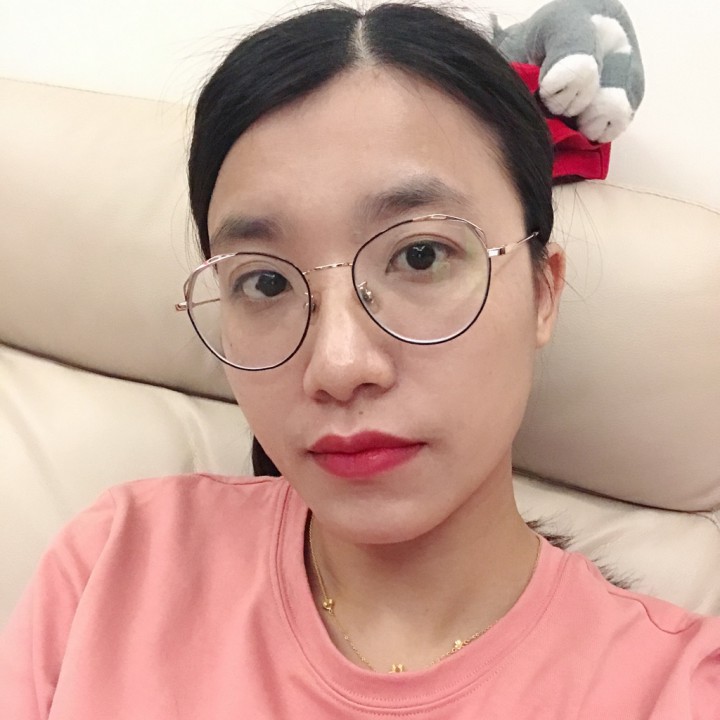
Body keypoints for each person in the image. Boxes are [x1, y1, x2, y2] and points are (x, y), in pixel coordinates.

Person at [1, 3, 718, 717]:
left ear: (542, 292)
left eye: (421, 255)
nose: (339, 366)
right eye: (266, 282)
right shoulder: (115, 565)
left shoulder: (677, 691)